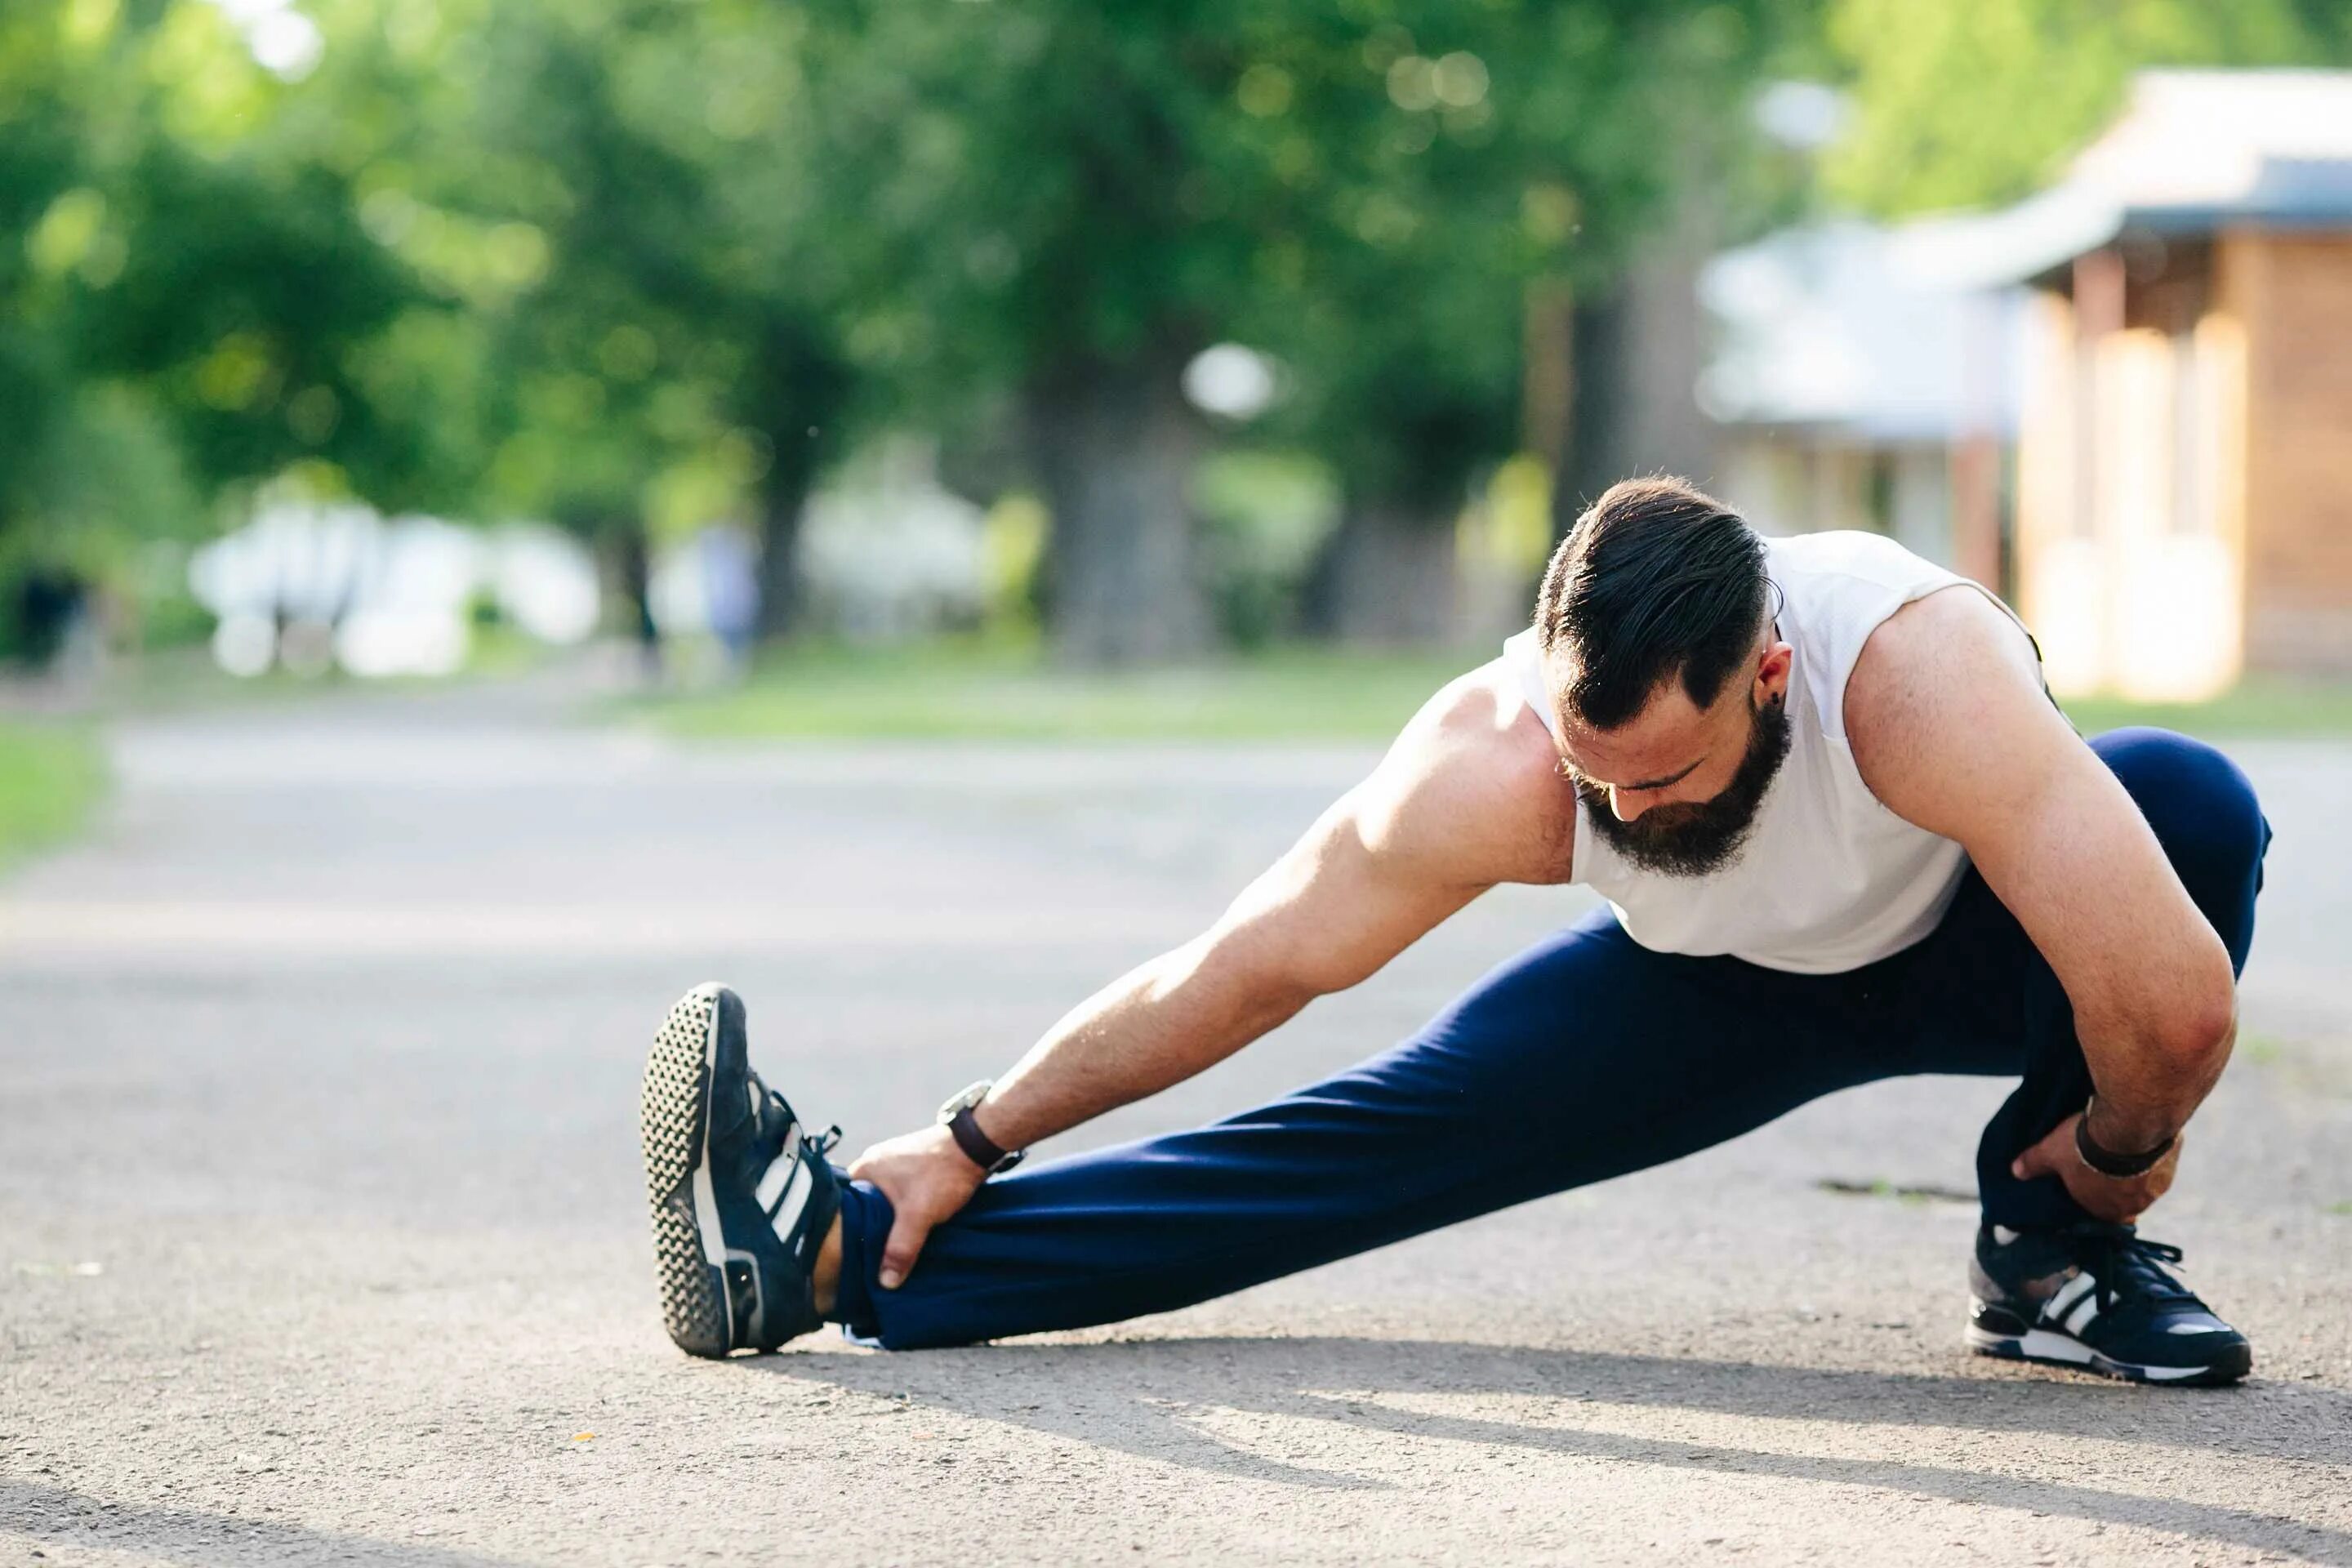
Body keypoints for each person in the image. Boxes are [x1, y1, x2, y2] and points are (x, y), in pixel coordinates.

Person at [639, 477, 2269, 1385]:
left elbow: (2177, 1009)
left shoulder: (1912, 675)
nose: (1622, 819)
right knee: (1363, 1137)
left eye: (1668, 774)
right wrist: (978, 1130)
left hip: (1981, 946)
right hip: (1716, 989)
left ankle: (2054, 1268)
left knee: (2185, 802)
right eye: (1590, 776)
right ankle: (831, 1252)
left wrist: (2112, 1148)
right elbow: (1251, 961)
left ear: (1769, 672)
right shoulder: (1494, 763)